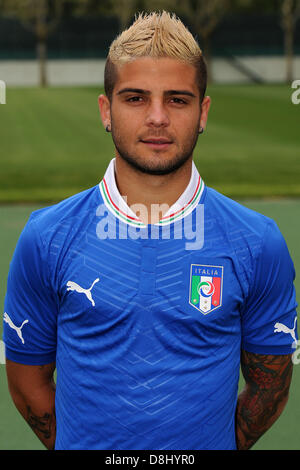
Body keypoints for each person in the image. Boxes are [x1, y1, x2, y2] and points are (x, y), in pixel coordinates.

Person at [3, 11, 298, 451]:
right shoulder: (46, 237)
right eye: (136, 98)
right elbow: (28, 381)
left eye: (177, 99)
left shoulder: (257, 242)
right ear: (106, 110)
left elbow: (269, 388)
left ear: (203, 112)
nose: (157, 117)